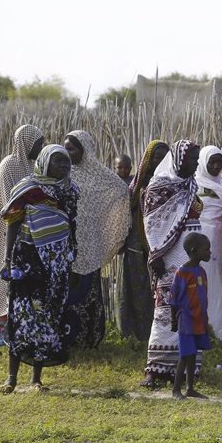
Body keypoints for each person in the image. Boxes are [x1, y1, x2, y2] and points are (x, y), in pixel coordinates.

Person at [0, 145, 79, 393]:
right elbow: (12, 223)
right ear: (44, 163)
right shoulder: (27, 188)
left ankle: (36, 379)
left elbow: (72, 226)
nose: (64, 167)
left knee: (47, 315)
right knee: (20, 313)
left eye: (66, 163)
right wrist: (8, 259)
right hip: (28, 258)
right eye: (58, 162)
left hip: (56, 263)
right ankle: (11, 378)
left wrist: (70, 259)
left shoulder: (70, 190)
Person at [141, 140, 202, 388]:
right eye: (192, 159)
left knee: (191, 309)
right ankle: (155, 369)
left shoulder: (190, 186)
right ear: (179, 159)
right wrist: (156, 255)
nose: (196, 164)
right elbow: (152, 225)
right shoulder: (159, 187)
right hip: (169, 257)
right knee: (166, 310)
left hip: (192, 259)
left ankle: (188, 368)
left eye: (197, 159)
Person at [63, 130, 130, 348]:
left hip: (90, 245)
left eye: (71, 148)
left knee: (88, 291)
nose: (67, 152)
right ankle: (67, 338)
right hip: (67, 245)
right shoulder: (63, 173)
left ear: (85, 150)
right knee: (67, 291)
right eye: (65, 147)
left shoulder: (100, 175)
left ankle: (89, 338)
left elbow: (120, 190)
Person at [0, 125, 44, 353]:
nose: (40, 148)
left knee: (22, 284)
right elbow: (9, 205)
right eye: (38, 144)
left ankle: (18, 333)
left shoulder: (31, 167)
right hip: (9, 231)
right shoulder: (9, 166)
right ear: (26, 142)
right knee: (4, 281)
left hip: (28, 234)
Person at [114, 140, 169, 340]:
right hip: (137, 244)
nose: (161, 161)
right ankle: (134, 333)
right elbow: (125, 211)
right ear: (148, 159)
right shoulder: (137, 183)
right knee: (135, 288)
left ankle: (159, 331)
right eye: (156, 157)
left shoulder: (171, 181)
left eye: (164, 157)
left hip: (164, 245)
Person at [195, 145, 222, 342]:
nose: (215, 166)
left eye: (219, 162)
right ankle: (203, 327)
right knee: (204, 280)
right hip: (200, 237)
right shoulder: (193, 184)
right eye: (211, 162)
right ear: (203, 162)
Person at [170, 232, 212, 400]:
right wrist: (174, 319)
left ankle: (190, 388)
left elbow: (203, 296)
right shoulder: (182, 273)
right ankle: (175, 390)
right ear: (194, 251)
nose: (210, 252)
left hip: (198, 320)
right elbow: (173, 298)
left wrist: (205, 316)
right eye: (206, 249)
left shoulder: (201, 271)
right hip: (186, 320)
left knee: (193, 354)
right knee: (185, 355)